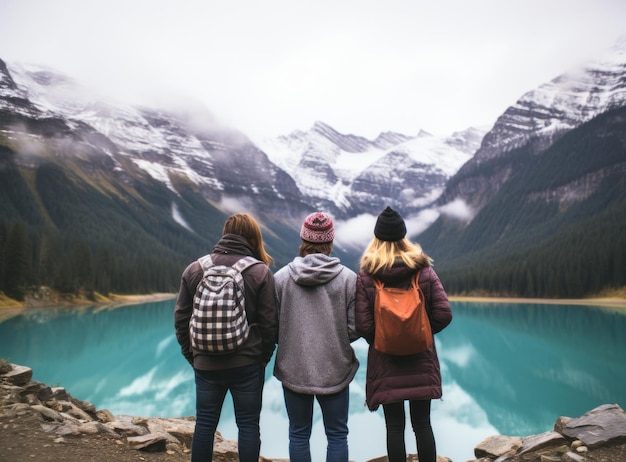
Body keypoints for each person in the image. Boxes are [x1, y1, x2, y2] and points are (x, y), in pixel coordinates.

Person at [174, 213, 278, 462]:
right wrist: (261, 358)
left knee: (205, 425)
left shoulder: (195, 269)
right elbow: (269, 324)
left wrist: (194, 355)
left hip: (205, 363)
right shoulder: (260, 272)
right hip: (247, 363)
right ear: (253, 238)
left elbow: (181, 319)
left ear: (225, 234)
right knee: (248, 426)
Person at [355, 206, 452, 462]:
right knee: (422, 424)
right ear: (403, 236)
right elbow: (444, 314)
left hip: (385, 360)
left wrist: (385, 338)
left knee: (394, 427)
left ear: (376, 239)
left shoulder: (367, 275)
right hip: (421, 357)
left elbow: (363, 325)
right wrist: (420, 333)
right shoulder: (424, 271)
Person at [273, 212, 360, 462]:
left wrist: (291, 339)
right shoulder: (348, 279)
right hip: (335, 367)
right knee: (337, 435)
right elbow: (355, 326)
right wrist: (337, 339)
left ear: (303, 239)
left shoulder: (280, 279)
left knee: (298, 435)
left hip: (294, 368)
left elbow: (273, 325)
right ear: (330, 242)